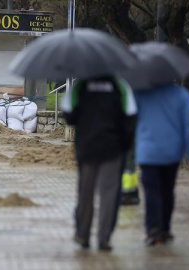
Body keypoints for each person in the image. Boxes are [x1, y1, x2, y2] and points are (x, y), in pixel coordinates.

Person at [62, 76, 137, 251]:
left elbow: (69, 116)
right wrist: (124, 144)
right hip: (112, 148)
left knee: (85, 192)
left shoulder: (80, 86)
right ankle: (104, 237)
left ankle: (82, 234)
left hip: (87, 148)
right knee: (109, 194)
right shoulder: (121, 86)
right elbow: (131, 116)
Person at [134, 83, 189, 246]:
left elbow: (131, 119)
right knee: (167, 190)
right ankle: (165, 228)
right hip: (172, 151)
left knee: (151, 191)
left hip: (147, 151)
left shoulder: (141, 93)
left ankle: (153, 229)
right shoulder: (181, 94)